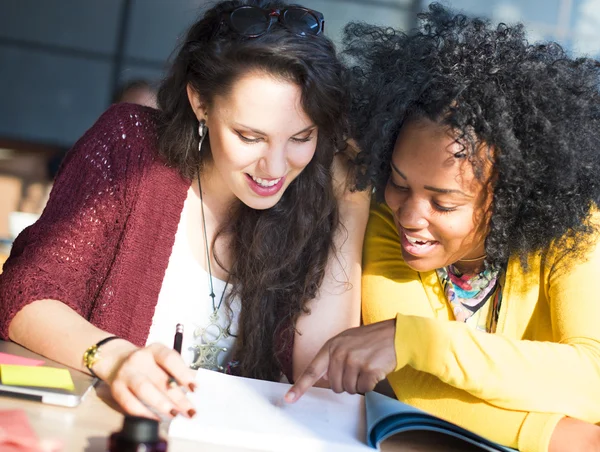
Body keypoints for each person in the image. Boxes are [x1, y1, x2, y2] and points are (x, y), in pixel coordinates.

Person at [0, 0, 368, 420]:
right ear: (200, 103)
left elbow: (319, 381)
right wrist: (117, 358)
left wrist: (351, 206)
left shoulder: (313, 193)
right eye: (250, 136)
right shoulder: (130, 149)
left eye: (302, 137)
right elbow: (24, 294)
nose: (277, 167)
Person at [287, 5, 600, 452]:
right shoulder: (385, 222)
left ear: (512, 198)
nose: (410, 216)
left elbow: (592, 377)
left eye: (444, 201)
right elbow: (415, 383)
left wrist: (415, 338)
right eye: (398, 182)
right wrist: (562, 436)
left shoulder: (576, 231)